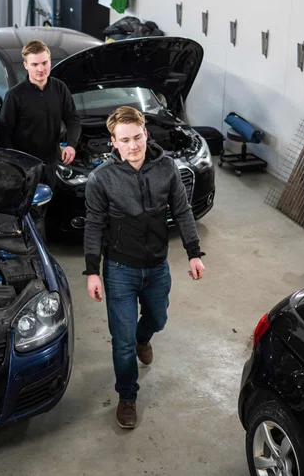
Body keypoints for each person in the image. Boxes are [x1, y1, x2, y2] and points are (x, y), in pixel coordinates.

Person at [83, 105, 205, 430]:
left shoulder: (166, 168)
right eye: (125, 140)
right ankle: (127, 397)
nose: (134, 146)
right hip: (119, 269)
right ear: (114, 142)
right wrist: (92, 271)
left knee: (158, 318)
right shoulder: (102, 179)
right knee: (120, 340)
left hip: (157, 266)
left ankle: (144, 337)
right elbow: (94, 225)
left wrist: (194, 252)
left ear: (146, 133)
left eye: (138, 137)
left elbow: (182, 211)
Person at [0, 39, 80, 232]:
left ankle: (42, 248)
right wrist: (17, 167)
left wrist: (71, 145)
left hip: (50, 164)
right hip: (25, 169)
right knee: (26, 215)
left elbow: (73, 119)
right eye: (35, 64)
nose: (40, 69)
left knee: (44, 211)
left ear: (50, 61)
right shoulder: (15, 96)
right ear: (26, 65)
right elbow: (4, 135)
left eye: (44, 63)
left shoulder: (60, 89)